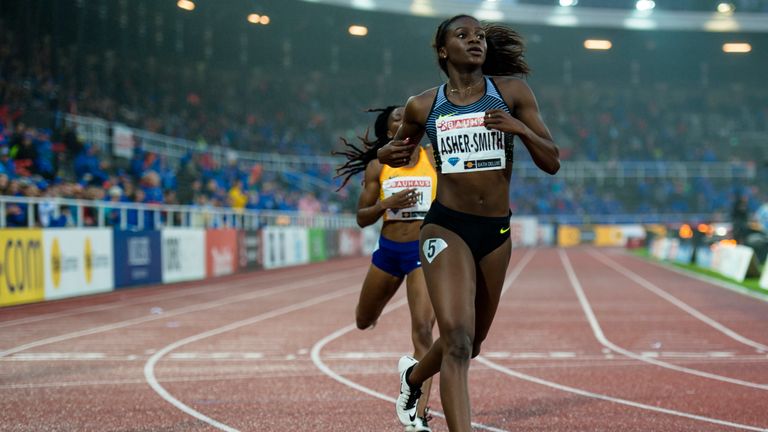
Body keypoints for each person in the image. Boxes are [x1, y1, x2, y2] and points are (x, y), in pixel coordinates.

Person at [377, 15, 560, 431]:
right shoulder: (423, 105)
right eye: (463, 36)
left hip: (495, 233)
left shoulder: (511, 92)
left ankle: (413, 376)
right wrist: (391, 154)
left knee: (471, 343)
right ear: (443, 50)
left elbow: (552, 161)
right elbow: (394, 150)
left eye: (479, 35)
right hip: (447, 227)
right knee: (456, 341)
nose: (475, 40)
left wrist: (519, 129)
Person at [334, 106, 438, 432]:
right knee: (363, 320)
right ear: (387, 131)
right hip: (389, 252)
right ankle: (380, 303)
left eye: (409, 117)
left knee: (423, 330)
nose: (405, 121)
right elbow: (362, 218)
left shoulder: (432, 158)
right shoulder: (377, 166)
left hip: (423, 251)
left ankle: (418, 416)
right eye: (397, 118)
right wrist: (386, 204)